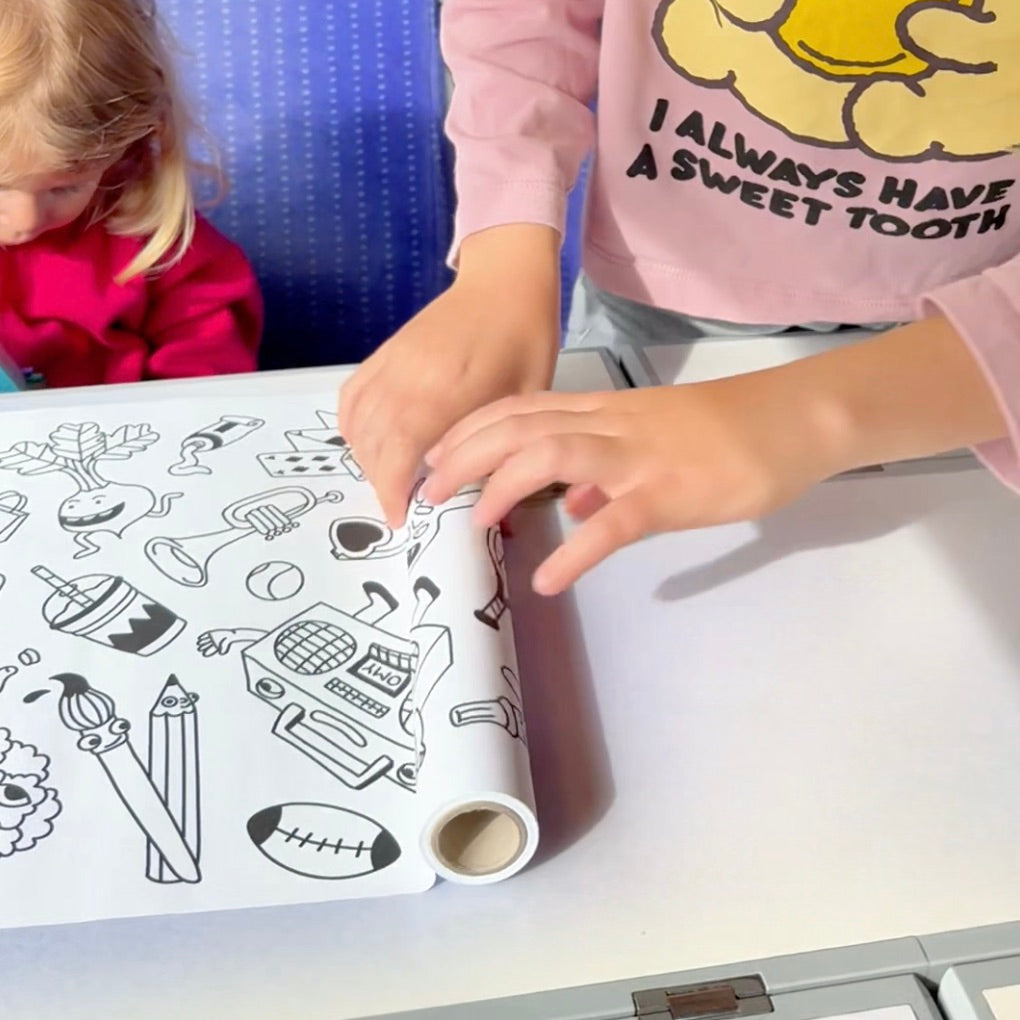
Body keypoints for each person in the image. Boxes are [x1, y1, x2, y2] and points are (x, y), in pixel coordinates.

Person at [339, 0, 1020, 595]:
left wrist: (818, 417)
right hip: (659, 305)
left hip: (976, 338)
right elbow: (523, 15)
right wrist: (503, 257)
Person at [0, 0, 262, 389]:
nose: (26, 220)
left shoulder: (158, 250)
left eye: (66, 186)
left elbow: (209, 389)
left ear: (124, 151)